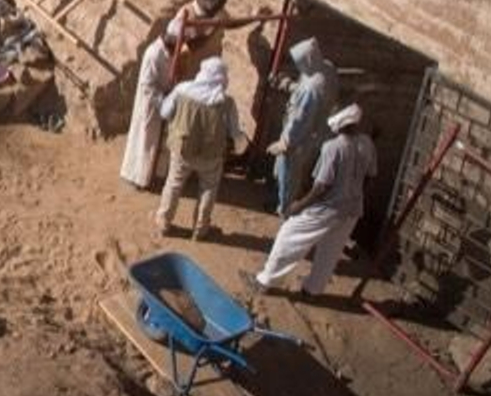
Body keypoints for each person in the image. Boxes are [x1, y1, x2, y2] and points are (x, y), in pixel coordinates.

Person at [246, 104, 376, 296]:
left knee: (289, 235)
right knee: (330, 252)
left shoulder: (333, 147)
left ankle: (264, 281)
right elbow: (371, 177)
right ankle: (313, 289)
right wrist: (355, 195)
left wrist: (299, 205)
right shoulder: (366, 143)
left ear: (339, 123)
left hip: (328, 207)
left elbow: (322, 186)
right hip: (353, 209)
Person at [155, 56, 247, 240]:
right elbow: (235, 132)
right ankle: (200, 229)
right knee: (208, 190)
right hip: (211, 155)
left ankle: (163, 223)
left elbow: (165, 112)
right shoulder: (226, 102)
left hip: (182, 149)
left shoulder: (182, 90)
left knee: (173, 185)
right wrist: (240, 146)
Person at [266, 38, 338, 216]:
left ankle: (286, 213)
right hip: (316, 135)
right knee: (296, 177)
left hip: (300, 141)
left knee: (288, 177)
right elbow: (304, 89)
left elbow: (300, 120)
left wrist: (285, 144)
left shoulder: (312, 89)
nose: (299, 67)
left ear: (309, 60)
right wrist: (289, 85)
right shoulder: (325, 68)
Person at [119, 22, 179, 190]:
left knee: (157, 143)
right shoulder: (154, 54)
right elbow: (147, 85)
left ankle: (153, 176)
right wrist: (163, 101)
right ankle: (138, 177)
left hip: (160, 102)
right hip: (150, 104)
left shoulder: (167, 51)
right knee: (144, 141)